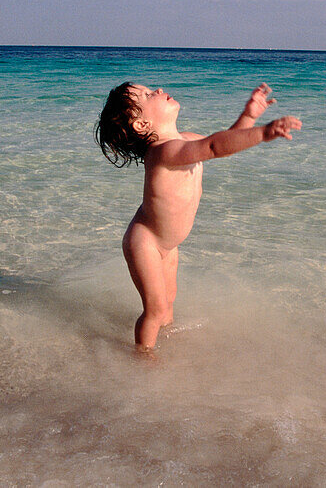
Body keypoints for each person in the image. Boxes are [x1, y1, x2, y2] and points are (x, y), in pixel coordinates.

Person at [95, 82, 302, 351]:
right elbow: (215, 147)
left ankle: (164, 343)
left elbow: (224, 141)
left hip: (167, 244)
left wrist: (249, 116)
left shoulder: (187, 140)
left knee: (169, 303)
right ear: (141, 125)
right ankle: (143, 359)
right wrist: (262, 133)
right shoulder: (163, 152)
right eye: (147, 95)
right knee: (155, 310)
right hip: (145, 243)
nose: (157, 90)